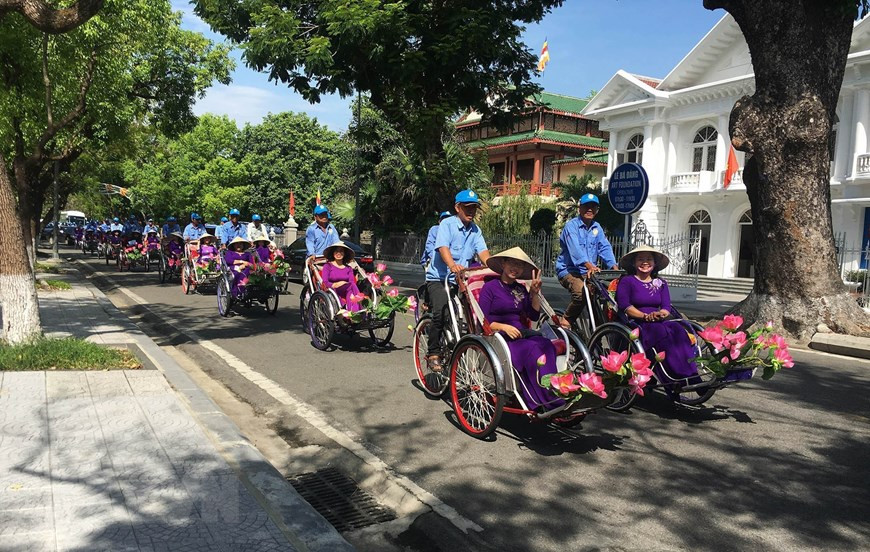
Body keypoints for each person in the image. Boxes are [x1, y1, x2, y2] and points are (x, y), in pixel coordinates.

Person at [479, 247, 563, 410]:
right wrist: (504, 327)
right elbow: (483, 320)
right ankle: (545, 400)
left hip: (521, 334)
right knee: (532, 349)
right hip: (499, 337)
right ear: (503, 264)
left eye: (519, 265)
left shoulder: (520, 289)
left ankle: (553, 390)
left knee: (547, 344)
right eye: (512, 263)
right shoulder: (490, 288)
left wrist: (535, 293)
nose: (515, 268)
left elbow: (533, 316)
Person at [425, 189, 490, 372]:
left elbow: (483, 252)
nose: (471, 212)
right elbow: (443, 247)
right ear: (457, 207)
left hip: (462, 280)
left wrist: (494, 266)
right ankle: (434, 353)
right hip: (440, 278)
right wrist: (453, 265)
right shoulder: (447, 224)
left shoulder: (476, 230)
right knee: (440, 312)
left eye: (474, 208)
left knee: (474, 313)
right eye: (467, 208)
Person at [615, 245, 700, 386]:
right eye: (640, 259)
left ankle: (692, 374)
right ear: (634, 263)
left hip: (659, 319)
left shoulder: (661, 283)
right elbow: (625, 306)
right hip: (637, 322)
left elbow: (666, 307)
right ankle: (674, 377)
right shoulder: (627, 281)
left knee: (678, 330)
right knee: (660, 332)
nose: (645, 262)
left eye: (649, 259)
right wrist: (645, 316)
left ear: (654, 264)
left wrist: (661, 314)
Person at [555, 193, 620, 329]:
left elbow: (605, 248)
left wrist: (614, 267)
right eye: (586, 206)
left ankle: (597, 330)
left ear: (597, 210)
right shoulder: (571, 227)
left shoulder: (597, 228)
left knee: (607, 295)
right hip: (569, 270)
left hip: (590, 272)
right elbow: (575, 250)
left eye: (593, 207)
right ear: (579, 208)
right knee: (580, 293)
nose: (589, 209)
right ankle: (566, 320)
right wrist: (589, 265)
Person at [321, 241, 363, 313]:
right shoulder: (328, 266)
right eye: (336, 251)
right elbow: (325, 282)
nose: (338, 253)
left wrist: (344, 283)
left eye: (341, 251)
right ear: (333, 253)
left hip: (346, 289)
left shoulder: (348, 268)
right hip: (333, 290)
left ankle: (354, 313)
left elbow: (351, 282)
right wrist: (334, 284)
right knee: (350, 286)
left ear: (344, 254)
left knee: (351, 286)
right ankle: (356, 301)